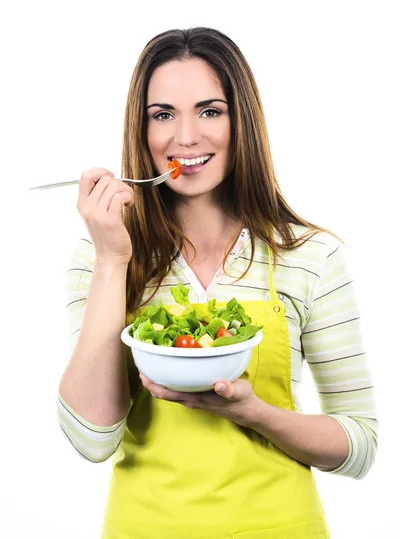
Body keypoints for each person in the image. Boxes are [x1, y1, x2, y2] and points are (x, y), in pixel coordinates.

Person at [58, 27, 378, 539]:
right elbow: (92, 437)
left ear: (241, 121)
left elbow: (359, 446)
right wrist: (114, 259)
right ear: (140, 131)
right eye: (163, 115)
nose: (186, 137)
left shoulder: (310, 256)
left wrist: (257, 414)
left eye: (210, 110)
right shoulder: (100, 254)